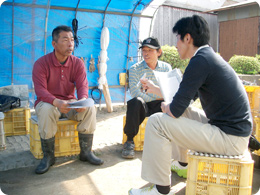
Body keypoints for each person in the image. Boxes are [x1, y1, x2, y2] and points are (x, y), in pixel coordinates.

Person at [129, 15, 252, 195]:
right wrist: (155, 89)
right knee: (185, 111)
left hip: (230, 139)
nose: (176, 44)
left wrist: (166, 107)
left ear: (188, 38)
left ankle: (160, 189)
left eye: (177, 39)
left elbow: (174, 108)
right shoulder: (207, 57)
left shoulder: (200, 61)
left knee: (157, 122)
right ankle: (182, 163)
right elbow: (183, 96)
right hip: (233, 134)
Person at [32, 25, 103, 175]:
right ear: (54, 44)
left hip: (70, 104)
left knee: (90, 107)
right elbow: (40, 91)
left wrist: (82, 100)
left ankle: (86, 152)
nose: (70, 43)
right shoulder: (41, 64)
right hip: (49, 103)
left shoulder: (77, 63)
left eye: (72, 39)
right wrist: (56, 102)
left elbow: (83, 86)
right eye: (65, 40)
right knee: (46, 109)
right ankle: (49, 157)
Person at [122, 37, 172, 159]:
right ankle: (129, 142)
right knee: (135, 102)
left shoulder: (166, 68)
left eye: (150, 50)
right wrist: (157, 96)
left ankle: (170, 143)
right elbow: (135, 92)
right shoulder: (135, 69)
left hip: (162, 105)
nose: (146, 53)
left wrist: (160, 96)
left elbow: (170, 92)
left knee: (174, 105)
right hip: (145, 105)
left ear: (158, 52)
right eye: (144, 50)